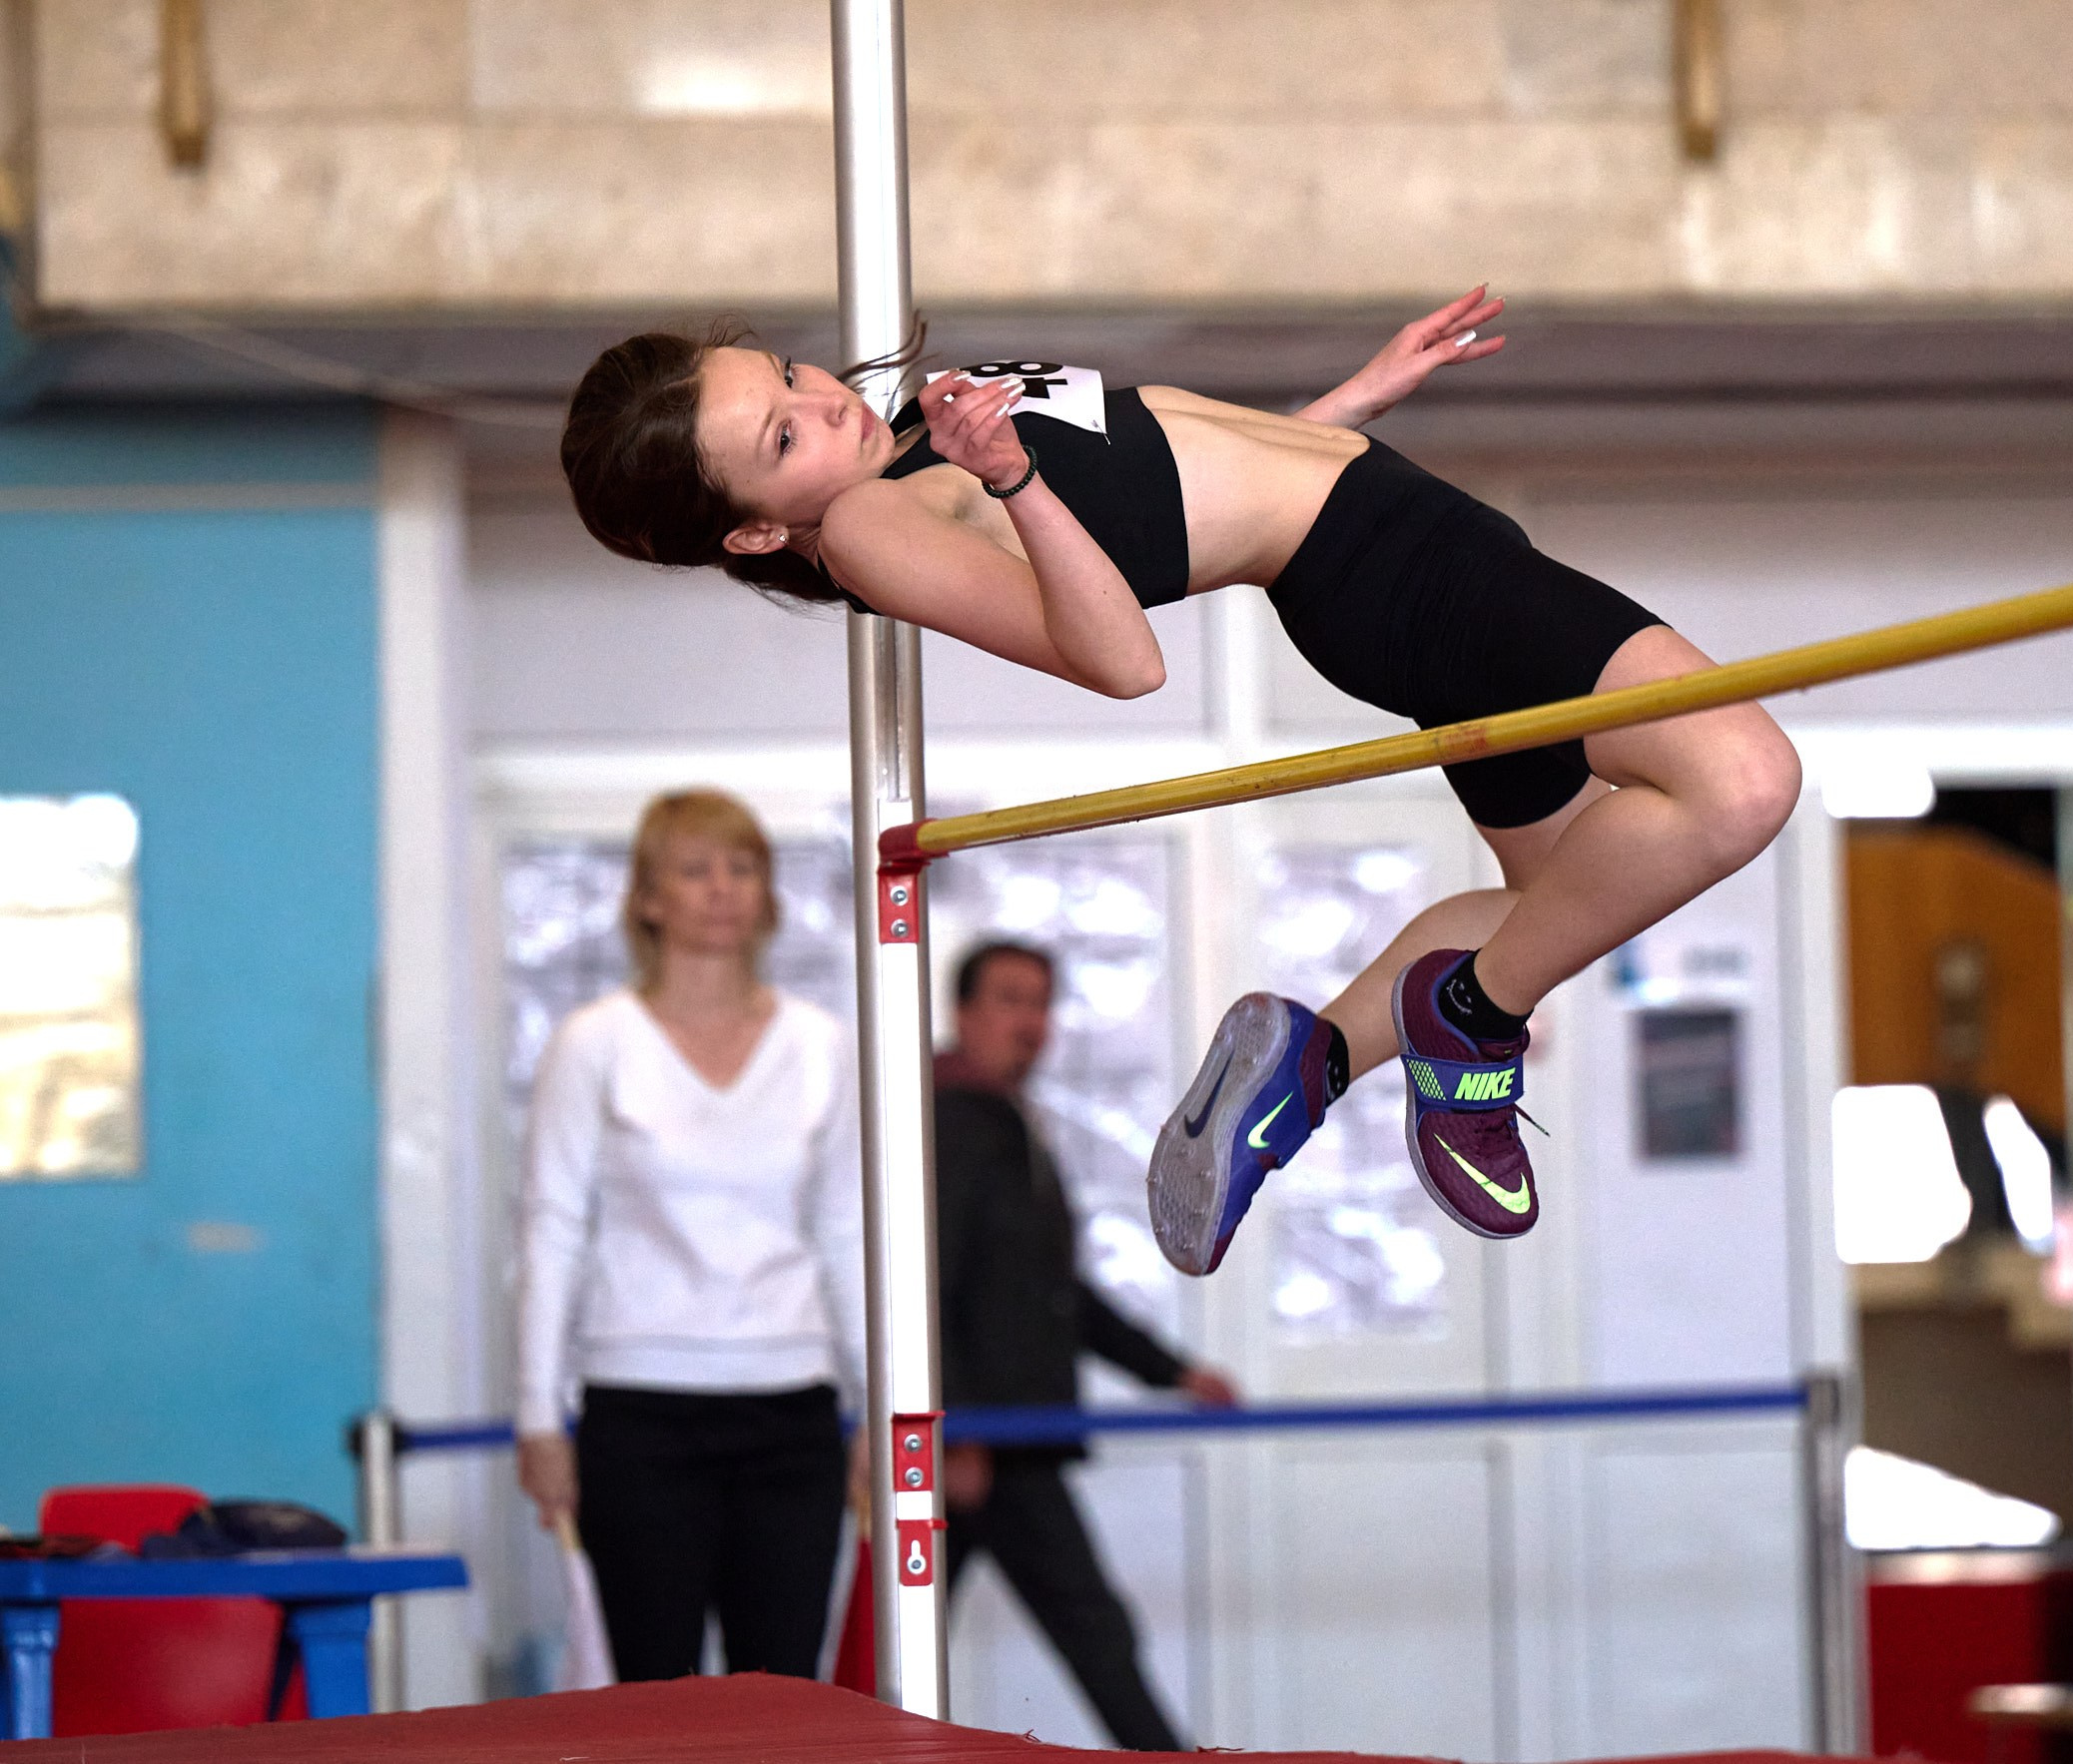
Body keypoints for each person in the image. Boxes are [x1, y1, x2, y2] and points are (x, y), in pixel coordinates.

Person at [558, 287, 1802, 1279]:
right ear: (756, 532)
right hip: (1401, 576)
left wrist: (1345, 406)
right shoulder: (878, 525)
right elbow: (1120, 659)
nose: (823, 404)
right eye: (784, 436)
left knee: (1555, 893)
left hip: (1384, 537)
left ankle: (1310, 1064)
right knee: (1741, 778)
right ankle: (1468, 1022)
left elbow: (1169, 487)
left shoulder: (911, 447)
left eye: (786, 376)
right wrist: (1011, 480)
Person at [514, 789, 864, 1682]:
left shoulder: (824, 1045)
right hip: (639, 1412)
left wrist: (884, 1402)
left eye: (742, 867)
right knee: (652, 1702)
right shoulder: (593, 1042)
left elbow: (846, 1229)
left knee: (786, 1701)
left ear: (769, 894)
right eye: (695, 868)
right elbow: (550, 1228)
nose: (721, 888)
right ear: (647, 898)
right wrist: (537, 1417)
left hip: (793, 1409)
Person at [934, 938, 1237, 1750]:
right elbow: (923, 1283)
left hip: (1008, 1437)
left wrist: (1172, 1370)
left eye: (1040, 1001)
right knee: (1093, 1633)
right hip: (989, 1443)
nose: (1030, 1021)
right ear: (962, 1012)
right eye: (1008, 999)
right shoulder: (954, 1121)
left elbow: (1053, 1289)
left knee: (914, 1641)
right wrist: (953, 1428)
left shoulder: (1000, 1117)